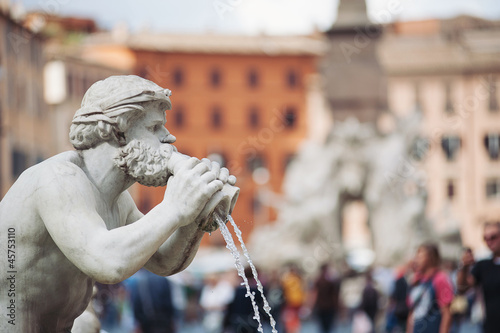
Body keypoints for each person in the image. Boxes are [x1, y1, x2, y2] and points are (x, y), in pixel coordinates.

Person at [0, 75, 236, 332]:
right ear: (110, 129)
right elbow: (108, 262)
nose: (169, 138)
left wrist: (197, 217)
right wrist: (175, 208)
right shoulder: (57, 178)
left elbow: (163, 260)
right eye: (154, 128)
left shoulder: (117, 200)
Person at [457, 221, 500, 333]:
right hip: (491, 327)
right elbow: (462, 288)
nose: (489, 242)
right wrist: (464, 267)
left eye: (493, 237)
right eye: (485, 238)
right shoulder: (483, 265)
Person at [406, 243, 453, 333]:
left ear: (430, 258)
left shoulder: (440, 279)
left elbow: (446, 313)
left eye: (420, 256)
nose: (416, 260)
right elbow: (412, 313)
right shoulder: (416, 280)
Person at [125, 268, 175, 333]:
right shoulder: (163, 279)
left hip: (146, 324)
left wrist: (137, 324)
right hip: (164, 322)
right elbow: (168, 303)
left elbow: (135, 304)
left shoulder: (136, 281)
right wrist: (172, 320)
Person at [224, 267, 264, 333]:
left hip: (238, 320)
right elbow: (261, 306)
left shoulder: (238, 289)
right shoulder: (257, 290)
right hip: (251, 321)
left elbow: (232, 305)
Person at [311, 263, 342, 333]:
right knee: (327, 327)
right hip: (328, 307)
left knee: (323, 327)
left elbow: (314, 294)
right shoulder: (330, 281)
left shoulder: (318, 280)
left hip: (322, 307)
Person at [281, 264, 306, 333]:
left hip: (296, 302)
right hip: (291, 302)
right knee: (292, 320)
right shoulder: (288, 279)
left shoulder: (297, 279)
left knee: (294, 320)